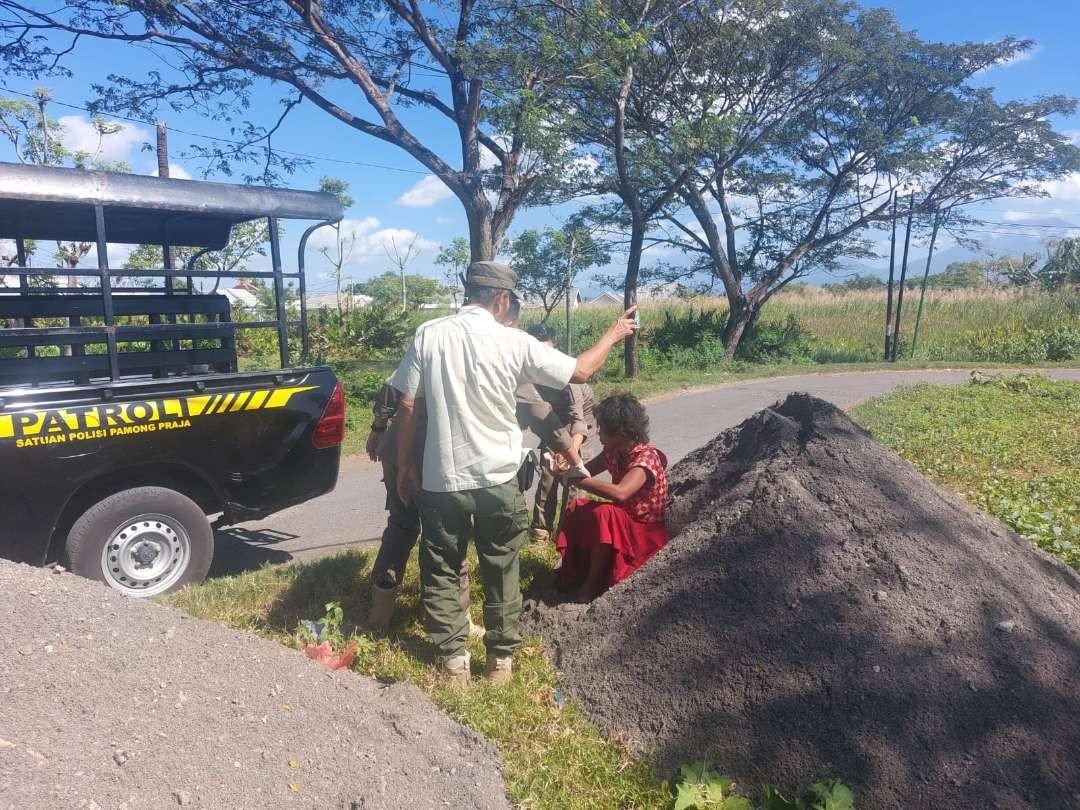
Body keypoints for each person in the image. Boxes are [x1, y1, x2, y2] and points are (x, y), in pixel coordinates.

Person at [391, 260, 637, 686]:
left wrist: (407, 464)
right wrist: (613, 334)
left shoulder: (429, 334)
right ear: (502, 299)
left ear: (467, 292)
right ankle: (499, 663)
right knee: (502, 565)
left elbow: (408, 404)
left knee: (443, 566)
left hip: (443, 479)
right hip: (500, 479)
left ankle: (453, 663)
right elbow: (580, 371)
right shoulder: (513, 341)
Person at [366, 300, 578, 633]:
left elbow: (393, 391)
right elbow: (542, 417)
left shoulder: (435, 337)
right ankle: (458, 620)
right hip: (431, 456)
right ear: (503, 317)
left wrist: (378, 430)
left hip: (398, 446)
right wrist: (574, 456)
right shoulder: (497, 350)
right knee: (451, 537)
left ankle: (380, 609)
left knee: (403, 524)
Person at [557, 393, 669, 601]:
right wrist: (565, 468)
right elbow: (584, 471)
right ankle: (574, 573)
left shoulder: (646, 458)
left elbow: (621, 493)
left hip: (644, 531)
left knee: (606, 514)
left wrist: (576, 480)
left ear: (620, 432)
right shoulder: (614, 453)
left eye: (603, 430)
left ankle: (591, 585)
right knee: (578, 507)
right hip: (625, 523)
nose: (598, 435)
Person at [523, 324, 596, 543]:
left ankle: (567, 535)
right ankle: (540, 532)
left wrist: (570, 453)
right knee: (548, 476)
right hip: (552, 424)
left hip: (579, 429)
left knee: (573, 480)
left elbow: (579, 422)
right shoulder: (527, 374)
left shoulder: (566, 379)